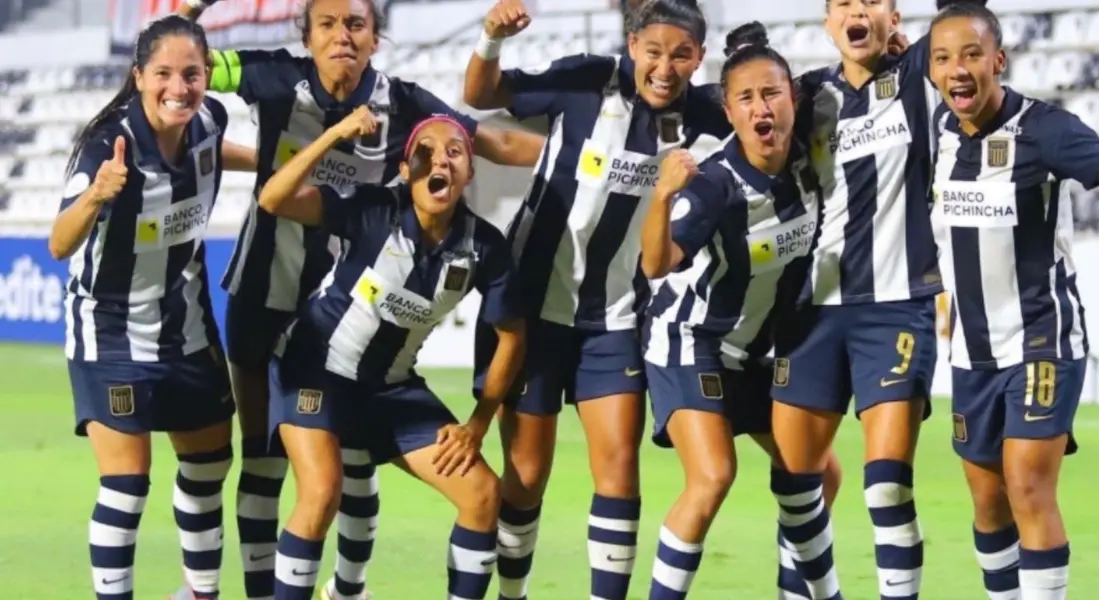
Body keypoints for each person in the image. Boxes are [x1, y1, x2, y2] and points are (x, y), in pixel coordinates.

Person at [180, 1, 544, 598]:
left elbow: (495, 143)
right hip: (267, 291)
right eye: (328, 24)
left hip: (351, 295)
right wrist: (188, 13)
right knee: (269, 462)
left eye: (357, 25)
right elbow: (189, 66)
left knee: (354, 465)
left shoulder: (404, 106)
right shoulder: (271, 74)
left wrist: (581, 167)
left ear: (376, 39)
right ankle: (255, 591)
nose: (342, 36)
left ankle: (347, 588)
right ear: (308, 36)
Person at [462, 1, 734, 598]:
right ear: (633, 46)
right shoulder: (587, 80)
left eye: (682, 54)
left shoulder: (708, 114)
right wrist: (490, 37)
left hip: (615, 323)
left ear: (700, 57)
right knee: (527, 477)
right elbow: (482, 93)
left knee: (618, 474)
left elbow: (770, 103)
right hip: (533, 313)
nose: (666, 67)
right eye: (654, 52)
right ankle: (512, 594)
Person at [927, 4, 1099, 599]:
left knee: (1027, 487)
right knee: (987, 501)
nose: (958, 68)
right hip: (970, 352)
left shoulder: (1045, 130)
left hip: (1042, 337)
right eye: (943, 58)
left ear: (998, 61)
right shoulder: (936, 134)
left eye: (972, 54)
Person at [255, 106, 526, 600]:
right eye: (424, 152)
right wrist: (335, 133)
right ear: (405, 171)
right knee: (320, 494)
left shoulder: (484, 247)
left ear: (469, 171)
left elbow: (512, 335)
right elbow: (273, 198)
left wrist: (478, 423)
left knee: (483, 495)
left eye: (454, 151)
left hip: (391, 390)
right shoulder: (373, 210)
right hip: (315, 369)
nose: (439, 161)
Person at [768, 1, 981, 597]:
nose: (856, 11)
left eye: (873, 2)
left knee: (886, 484)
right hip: (811, 309)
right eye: (843, 4)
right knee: (793, 487)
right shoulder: (806, 97)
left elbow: (966, 17)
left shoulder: (914, 76)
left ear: (894, 21)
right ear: (828, 24)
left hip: (895, 307)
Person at [638, 22, 842, 599]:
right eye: (746, 99)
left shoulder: (805, 159)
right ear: (728, 112)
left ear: (791, 99)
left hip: (750, 355)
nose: (762, 109)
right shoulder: (716, 187)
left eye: (772, 94)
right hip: (689, 341)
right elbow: (656, 264)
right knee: (712, 477)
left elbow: (847, 76)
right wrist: (660, 197)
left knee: (819, 473)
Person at [48, 15, 246, 600]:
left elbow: (215, 149)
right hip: (111, 332)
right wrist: (97, 194)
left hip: (185, 324)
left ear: (207, 76)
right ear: (139, 78)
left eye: (191, 74)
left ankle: (200, 593)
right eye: (163, 74)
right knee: (127, 485)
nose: (178, 88)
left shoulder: (209, 119)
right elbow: (60, 243)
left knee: (210, 467)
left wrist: (277, 162)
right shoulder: (107, 146)